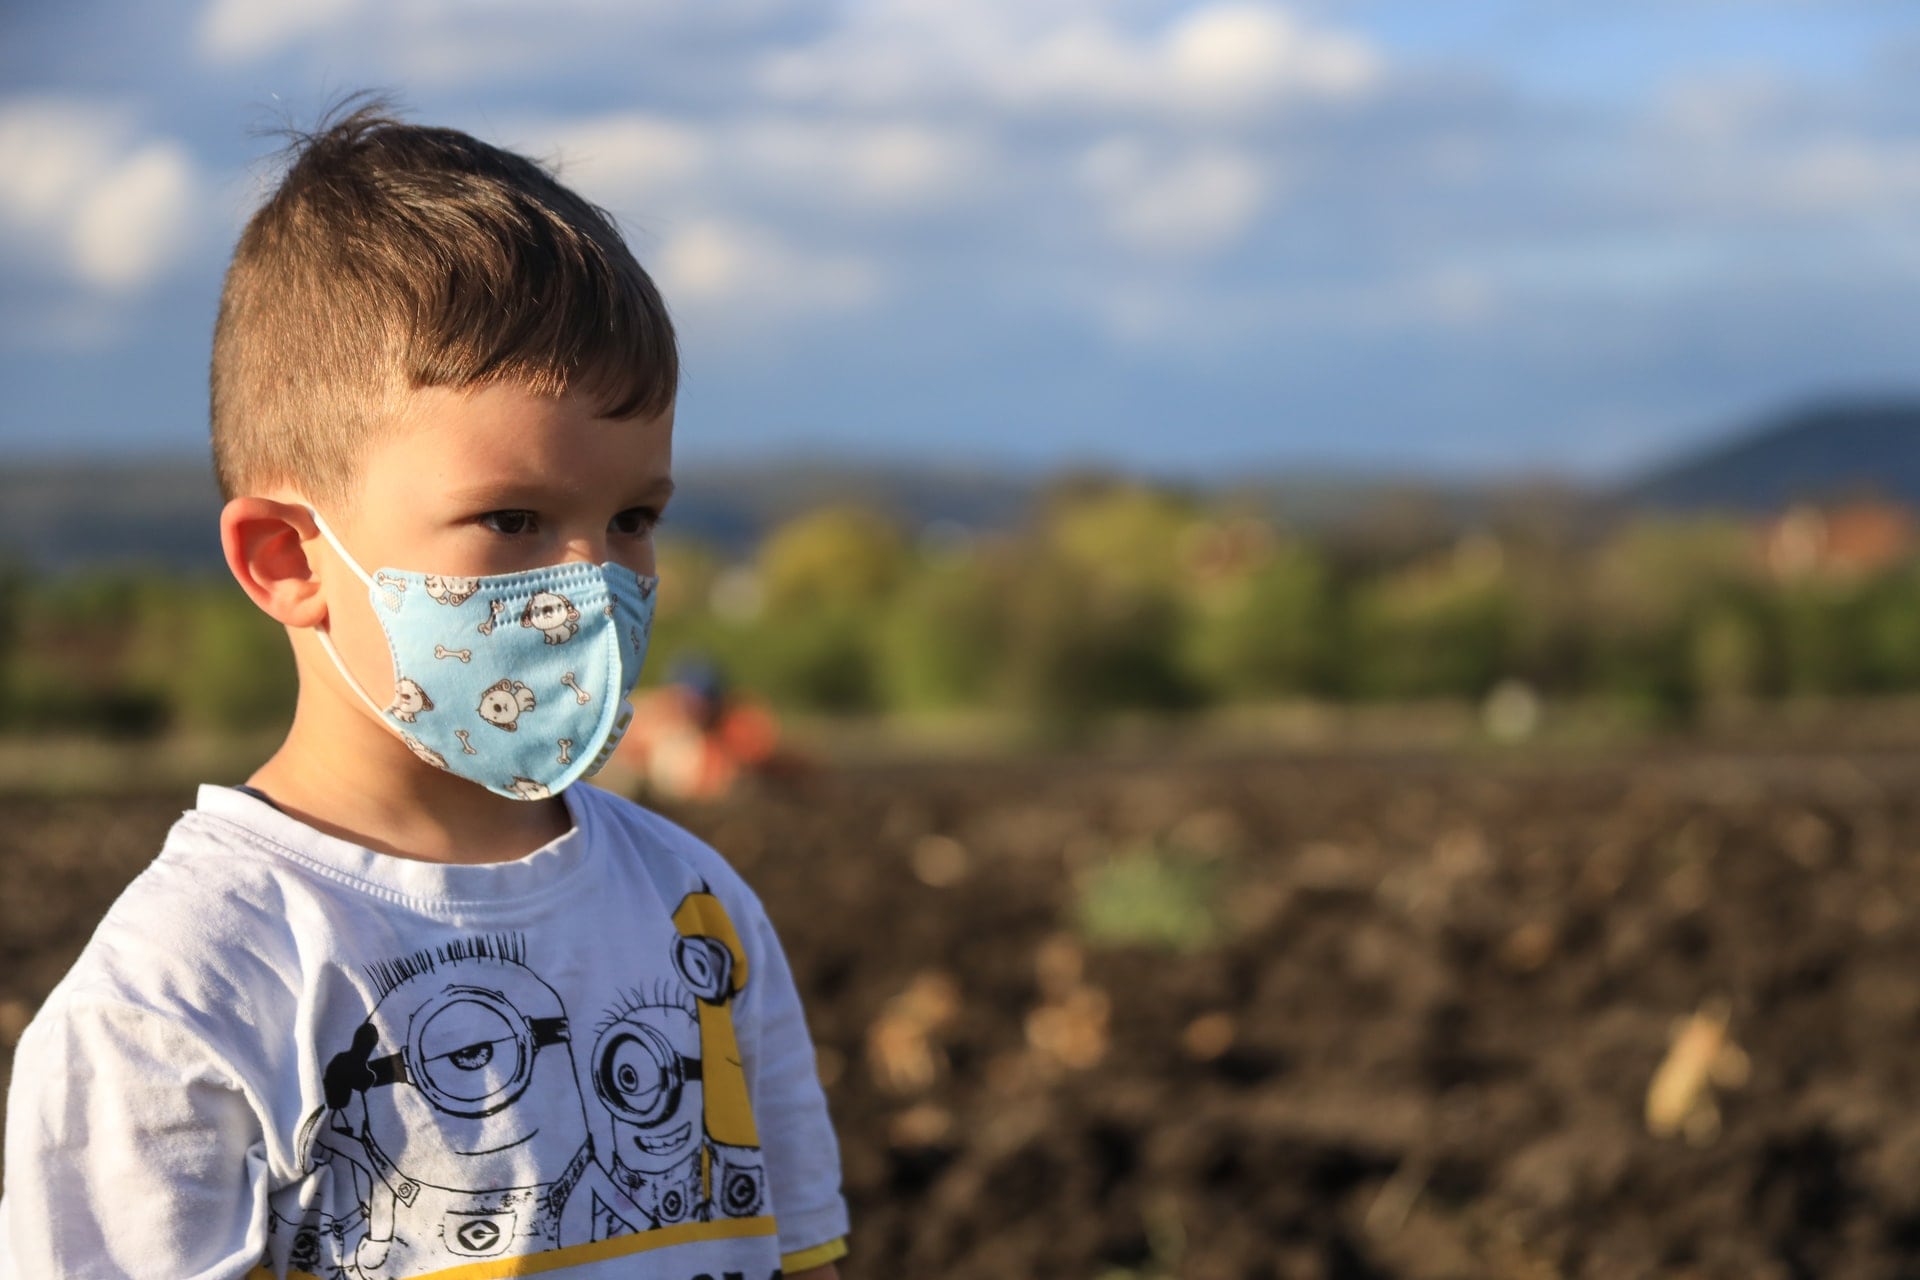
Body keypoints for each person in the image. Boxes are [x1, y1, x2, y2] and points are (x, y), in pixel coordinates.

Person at [0, 105, 849, 1280]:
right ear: (288, 560)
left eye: (632, 518)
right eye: (513, 517)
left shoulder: (699, 913)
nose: (591, 584)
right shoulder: (181, 998)